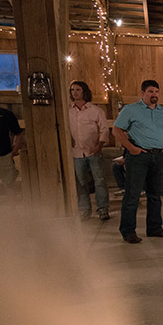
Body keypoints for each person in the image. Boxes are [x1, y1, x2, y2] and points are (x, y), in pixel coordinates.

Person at [111, 79, 163, 244]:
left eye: (156, 92)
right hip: (138, 156)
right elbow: (116, 130)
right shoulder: (131, 110)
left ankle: (155, 228)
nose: (154, 95)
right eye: (150, 92)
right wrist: (131, 148)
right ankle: (128, 231)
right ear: (142, 93)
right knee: (132, 194)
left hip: (158, 156)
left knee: (155, 194)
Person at [67, 80, 110, 220]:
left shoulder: (95, 111)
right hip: (77, 152)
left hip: (93, 151)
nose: (75, 92)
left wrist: (99, 146)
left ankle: (103, 208)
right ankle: (84, 209)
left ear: (84, 91)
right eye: (73, 90)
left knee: (99, 181)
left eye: (78, 90)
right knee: (81, 182)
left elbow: (104, 130)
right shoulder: (69, 111)